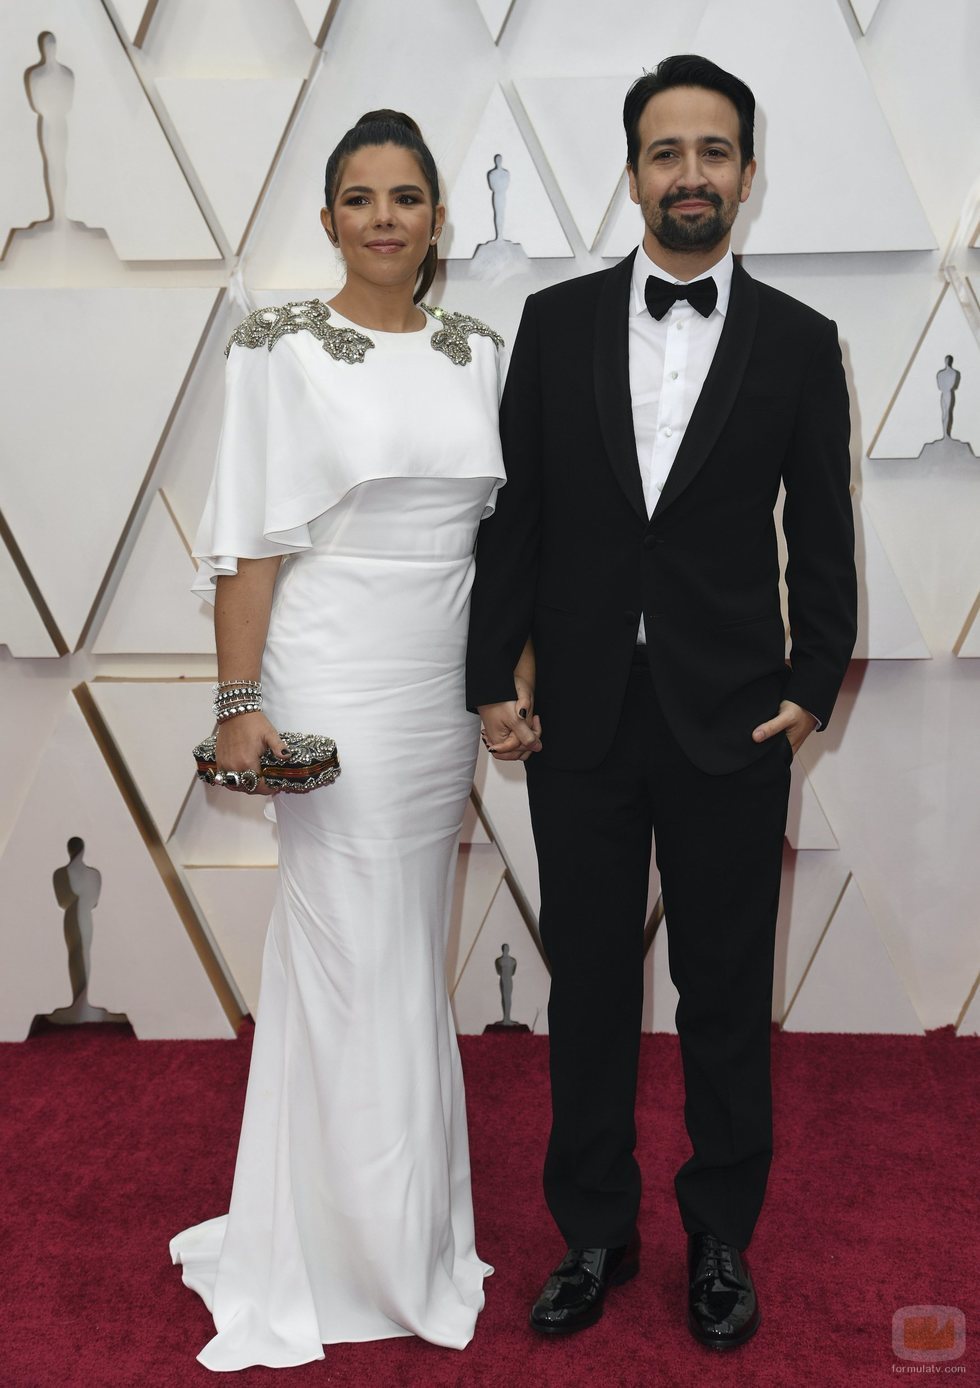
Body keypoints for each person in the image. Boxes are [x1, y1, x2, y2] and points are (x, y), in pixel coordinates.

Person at [467, 55, 857, 1349]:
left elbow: (825, 531)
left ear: (746, 173)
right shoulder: (558, 324)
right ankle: (593, 1228)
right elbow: (519, 518)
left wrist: (811, 685)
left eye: (713, 151)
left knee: (724, 991)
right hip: (578, 716)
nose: (690, 173)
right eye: (666, 151)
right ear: (632, 173)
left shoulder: (801, 341)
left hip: (732, 717)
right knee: (586, 987)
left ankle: (719, 1239)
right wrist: (492, 679)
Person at [170, 110, 513, 1371]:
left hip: (435, 682)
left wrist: (504, 680)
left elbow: (499, 543)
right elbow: (249, 542)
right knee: (343, 945)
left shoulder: (481, 351)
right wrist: (236, 701)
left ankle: (402, 1234)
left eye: (407, 196)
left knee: (402, 946)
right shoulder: (275, 346)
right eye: (359, 198)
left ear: (436, 219)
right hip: (325, 669)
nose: (384, 217)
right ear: (326, 221)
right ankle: (324, 1249)